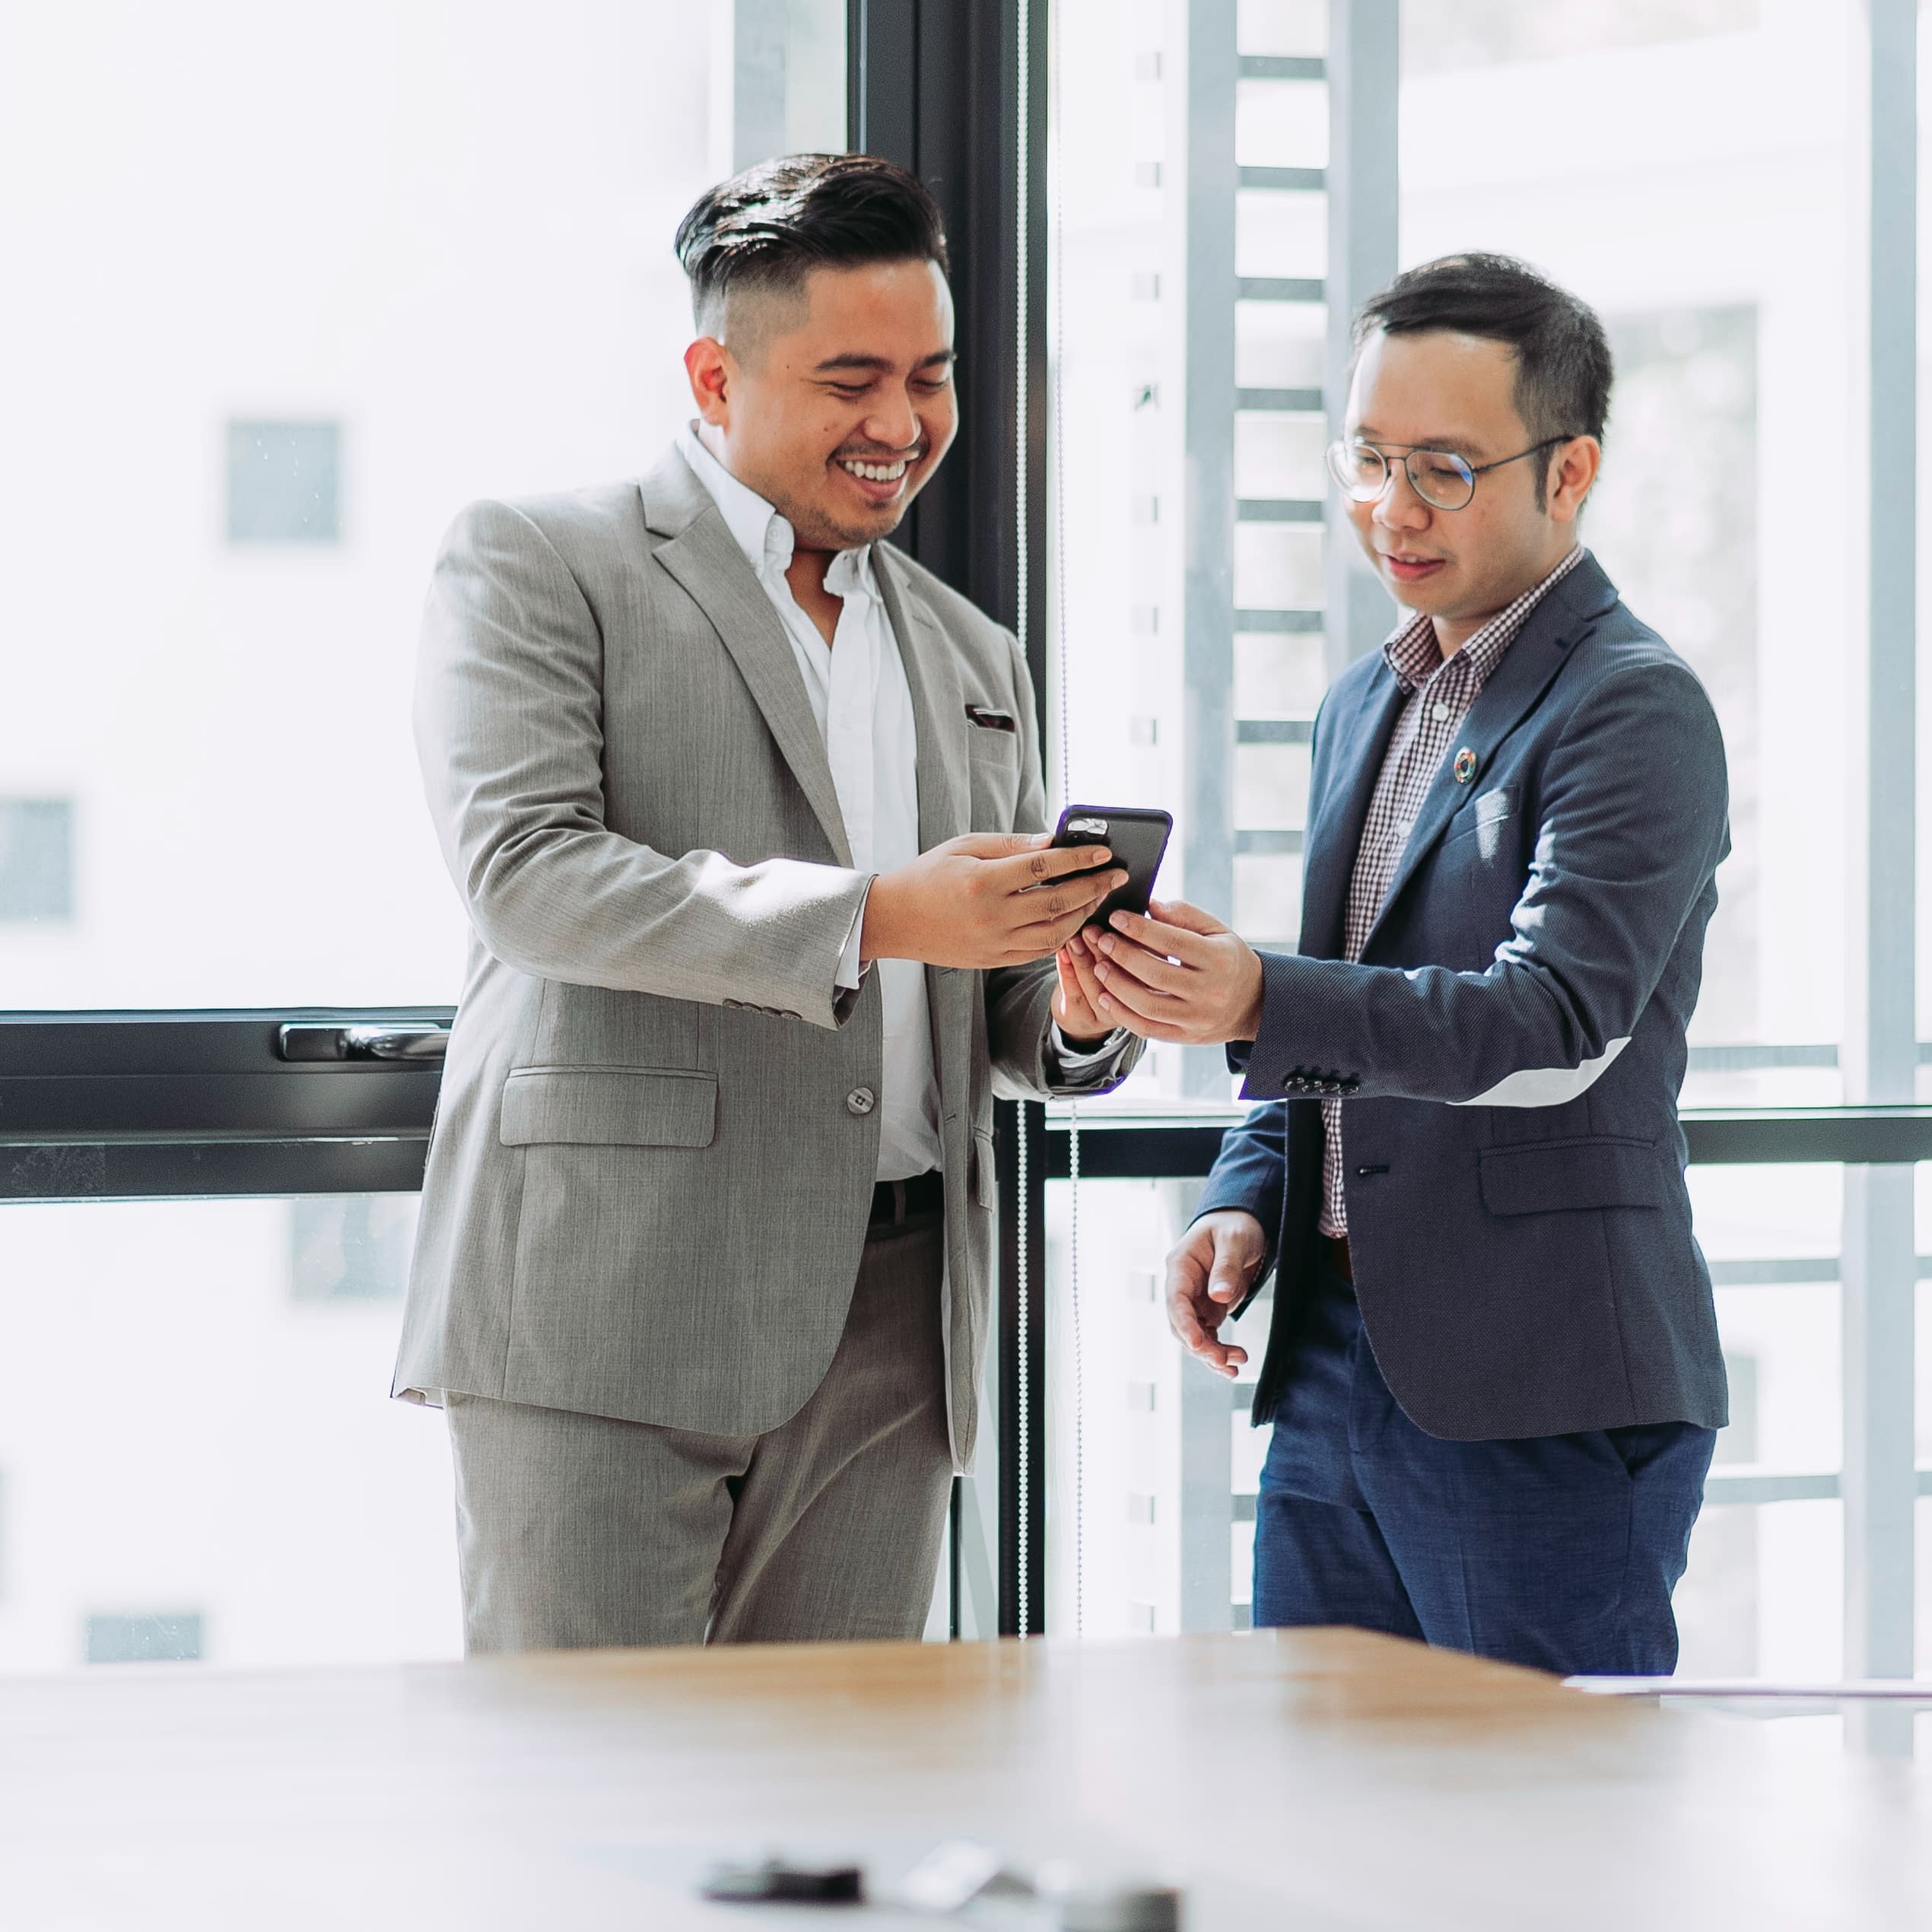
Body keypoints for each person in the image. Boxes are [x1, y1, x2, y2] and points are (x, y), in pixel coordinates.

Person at [396, 153, 1140, 1651]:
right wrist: (874, 913)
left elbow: (978, 999)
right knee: (590, 1808)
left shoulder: (973, 652)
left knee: (834, 1812)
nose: (903, 424)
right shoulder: (542, 563)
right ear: (713, 377)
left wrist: (1068, 1002)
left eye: (928, 376)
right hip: (612, 1297)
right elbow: (530, 880)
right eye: (850, 377)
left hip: (899, 1328)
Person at [1060, 254, 1730, 1676]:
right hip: (1330, 1360)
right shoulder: (1370, 696)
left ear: (1572, 473)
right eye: (1367, 458)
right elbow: (1351, 998)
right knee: (1327, 1830)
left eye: (1441, 466)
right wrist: (1249, 1194)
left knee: (1547, 1852)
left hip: (1535, 1382)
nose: (1390, 508)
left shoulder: (1633, 707)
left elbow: (1553, 1022)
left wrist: (1253, 993)